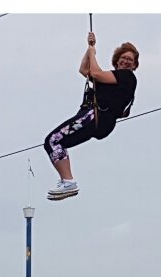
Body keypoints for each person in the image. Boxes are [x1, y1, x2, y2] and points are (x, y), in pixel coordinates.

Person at [44, 32, 139, 200]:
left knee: (52, 139)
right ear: (116, 61)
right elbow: (85, 70)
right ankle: (67, 181)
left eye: (130, 60)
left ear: (134, 65)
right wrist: (90, 49)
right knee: (54, 142)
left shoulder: (127, 77)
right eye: (123, 58)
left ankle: (68, 181)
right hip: (99, 122)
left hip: (94, 116)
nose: (125, 61)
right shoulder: (111, 79)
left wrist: (93, 54)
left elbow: (95, 74)